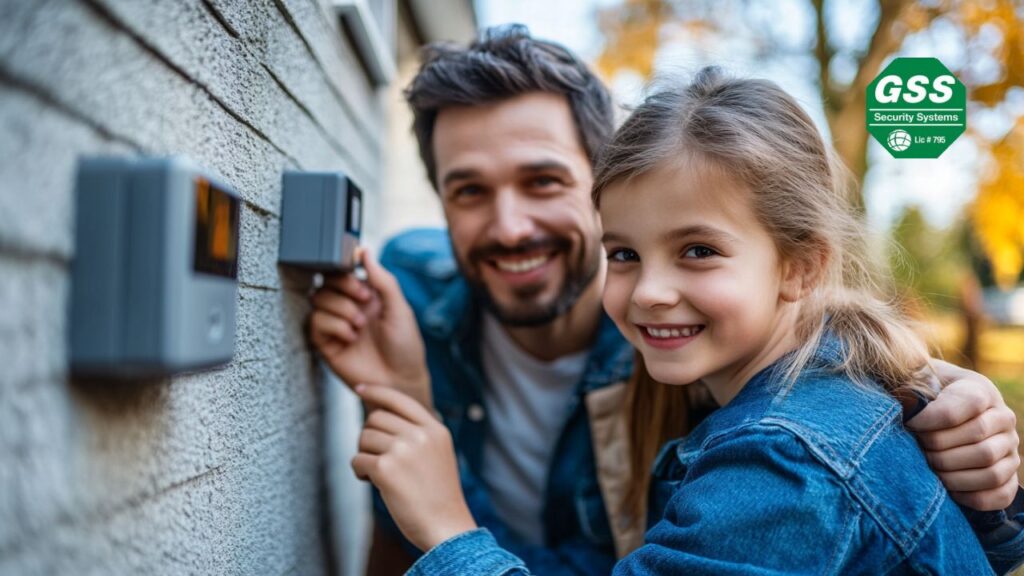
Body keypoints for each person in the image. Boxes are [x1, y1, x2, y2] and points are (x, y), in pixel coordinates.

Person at [309, 27, 1024, 575]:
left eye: (543, 181)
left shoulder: (775, 449)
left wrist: (447, 528)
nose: (509, 226)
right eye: (469, 191)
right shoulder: (409, 289)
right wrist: (402, 392)